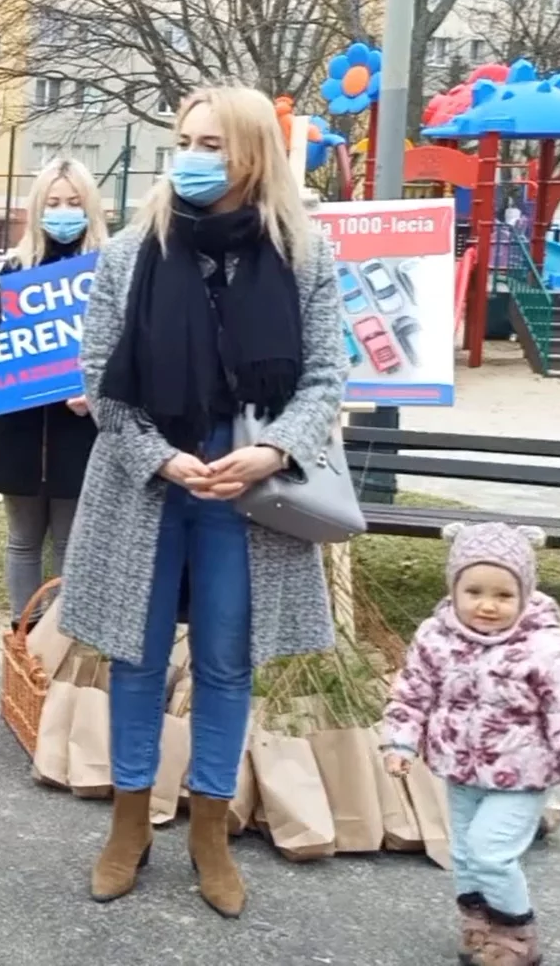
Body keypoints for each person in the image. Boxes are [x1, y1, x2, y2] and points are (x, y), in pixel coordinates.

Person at [56, 86, 345, 917]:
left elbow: (326, 378)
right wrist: (162, 458)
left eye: (212, 143)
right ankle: (128, 823)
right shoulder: (130, 254)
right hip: (150, 481)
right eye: (184, 140)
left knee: (227, 661)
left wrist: (271, 449)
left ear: (253, 152)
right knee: (136, 660)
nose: (192, 156)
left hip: (250, 491)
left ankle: (209, 832)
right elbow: (100, 383)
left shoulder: (306, 255)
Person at [382, 522, 560, 966]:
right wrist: (401, 742)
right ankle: (479, 925)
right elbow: (412, 693)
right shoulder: (436, 637)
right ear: (454, 588)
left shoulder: (545, 648)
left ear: (525, 594)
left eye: (503, 595)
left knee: (491, 852)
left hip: (521, 776)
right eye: (474, 591)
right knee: (466, 854)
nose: (487, 606)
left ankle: (516, 937)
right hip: (459, 770)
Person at [0, 157, 108, 616]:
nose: (63, 211)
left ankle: (65, 642)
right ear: (36, 207)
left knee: (72, 542)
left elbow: (129, 346)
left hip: (82, 428)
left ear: (91, 207)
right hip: (20, 428)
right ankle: (24, 635)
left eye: (73, 202)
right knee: (22, 540)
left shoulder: (109, 270)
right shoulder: (12, 271)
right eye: (53, 202)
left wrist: (98, 393)